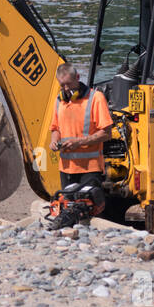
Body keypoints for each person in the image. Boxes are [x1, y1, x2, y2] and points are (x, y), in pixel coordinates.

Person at [49, 63, 112, 221]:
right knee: (69, 208)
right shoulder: (59, 101)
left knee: (90, 209)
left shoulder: (95, 98)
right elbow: (55, 128)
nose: (65, 89)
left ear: (77, 78)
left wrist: (80, 142)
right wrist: (54, 141)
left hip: (90, 168)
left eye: (68, 84)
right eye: (62, 85)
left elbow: (106, 133)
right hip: (66, 168)